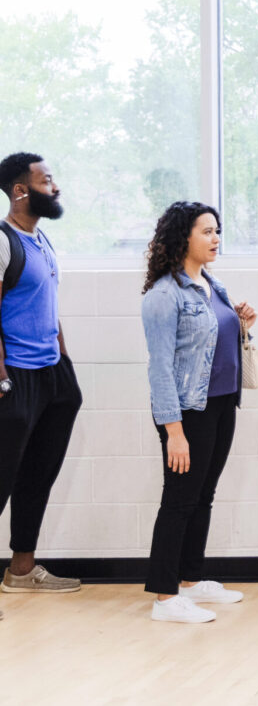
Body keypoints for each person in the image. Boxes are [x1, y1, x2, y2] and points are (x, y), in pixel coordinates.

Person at [141, 202, 258, 623]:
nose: (215, 239)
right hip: (187, 412)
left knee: (202, 495)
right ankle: (164, 597)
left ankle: (190, 579)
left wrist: (242, 322)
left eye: (217, 231)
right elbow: (159, 368)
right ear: (182, 238)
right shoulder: (163, 295)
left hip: (223, 403)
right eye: (207, 231)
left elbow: (213, 341)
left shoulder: (212, 284)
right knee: (179, 500)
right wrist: (173, 430)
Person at [0, 153, 83, 614]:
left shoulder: (41, 238)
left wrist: (64, 360)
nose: (56, 188)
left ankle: (22, 570)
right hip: (15, 377)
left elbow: (48, 305)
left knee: (37, 475)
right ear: (20, 190)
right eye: (47, 180)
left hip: (52, 375)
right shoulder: (3, 241)